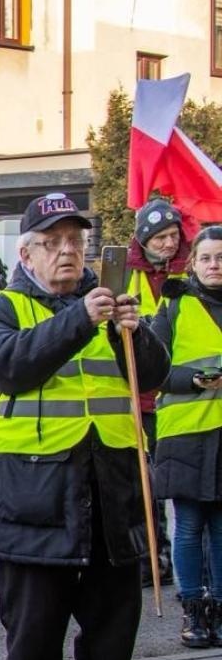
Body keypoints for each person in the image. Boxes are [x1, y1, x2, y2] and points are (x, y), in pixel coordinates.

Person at [0, 193, 168, 660]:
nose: (67, 253)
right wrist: (82, 320)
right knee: (35, 616)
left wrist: (134, 332)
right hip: (37, 489)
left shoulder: (114, 305)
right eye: (53, 243)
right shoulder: (6, 307)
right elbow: (12, 367)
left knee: (113, 617)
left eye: (75, 242)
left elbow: (151, 376)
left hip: (111, 483)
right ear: (28, 253)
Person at [152, 225, 222, 647]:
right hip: (186, 432)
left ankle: (220, 607)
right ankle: (193, 611)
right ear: (193, 262)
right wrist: (193, 379)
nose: (216, 265)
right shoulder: (174, 305)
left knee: (221, 527)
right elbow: (154, 366)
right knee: (190, 525)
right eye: (208, 258)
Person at [129, 198, 190, 588]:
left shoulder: (192, 271)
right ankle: (157, 556)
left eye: (173, 235)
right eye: (161, 236)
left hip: (183, 396)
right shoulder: (126, 276)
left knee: (182, 487)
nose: (169, 243)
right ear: (144, 239)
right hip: (140, 397)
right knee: (144, 485)